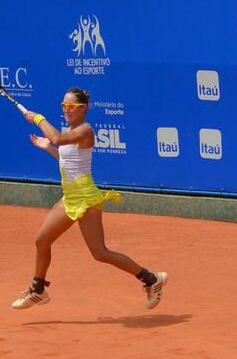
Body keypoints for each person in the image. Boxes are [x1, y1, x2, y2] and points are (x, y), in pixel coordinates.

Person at [11, 87, 167, 310]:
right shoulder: (72, 130)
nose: (66, 110)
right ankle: (38, 290)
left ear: (83, 108)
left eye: (71, 107)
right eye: (64, 106)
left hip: (86, 198)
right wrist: (48, 148)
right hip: (70, 197)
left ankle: (152, 280)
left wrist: (38, 118)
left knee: (99, 252)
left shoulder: (85, 130)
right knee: (42, 241)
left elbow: (57, 137)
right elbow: (68, 160)